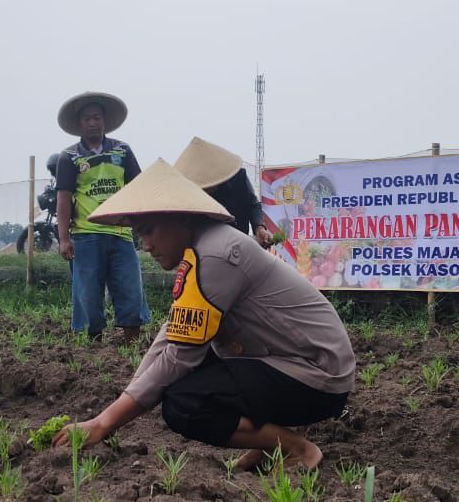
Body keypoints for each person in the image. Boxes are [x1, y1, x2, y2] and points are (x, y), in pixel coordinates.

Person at [54, 154, 356, 469]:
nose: (146, 245)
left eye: (149, 231)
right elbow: (171, 333)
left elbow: (179, 356)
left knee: (184, 404)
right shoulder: (203, 249)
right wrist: (128, 393)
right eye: (139, 234)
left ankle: (297, 449)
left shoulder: (218, 254)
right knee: (190, 371)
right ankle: (267, 443)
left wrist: (105, 423)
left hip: (318, 375)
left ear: (182, 217)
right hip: (288, 361)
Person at [55, 91, 149, 342]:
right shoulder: (69, 157)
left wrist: (143, 227)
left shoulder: (123, 151)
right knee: (88, 293)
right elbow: (63, 199)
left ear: (104, 120)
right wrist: (63, 238)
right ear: (79, 125)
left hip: (120, 232)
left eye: (96, 117)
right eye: (87, 119)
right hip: (85, 234)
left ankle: (132, 340)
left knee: (130, 287)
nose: (92, 123)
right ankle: (93, 340)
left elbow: (137, 187)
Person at [173, 136, 274, 248]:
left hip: (239, 243)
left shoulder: (238, 177)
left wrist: (259, 227)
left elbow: (253, 205)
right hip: (205, 247)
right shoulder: (191, 190)